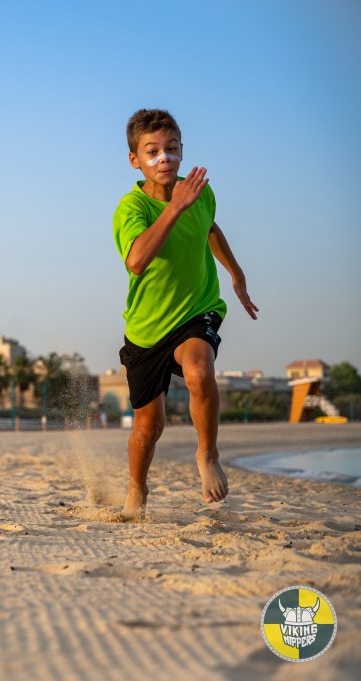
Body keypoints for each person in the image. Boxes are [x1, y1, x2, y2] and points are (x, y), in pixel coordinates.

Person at [113, 109, 258, 518]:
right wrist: (174, 208)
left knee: (198, 370)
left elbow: (210, 227)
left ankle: (207, 454)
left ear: (181, 150)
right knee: (148, 427)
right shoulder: (131, 208)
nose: (165, 158)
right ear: (135, 160)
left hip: (197, 310)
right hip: (147, 328)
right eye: (153, 151)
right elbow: (137, 261)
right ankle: (136, 489)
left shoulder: (198, 193)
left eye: (172, 149)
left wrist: (236, 273)